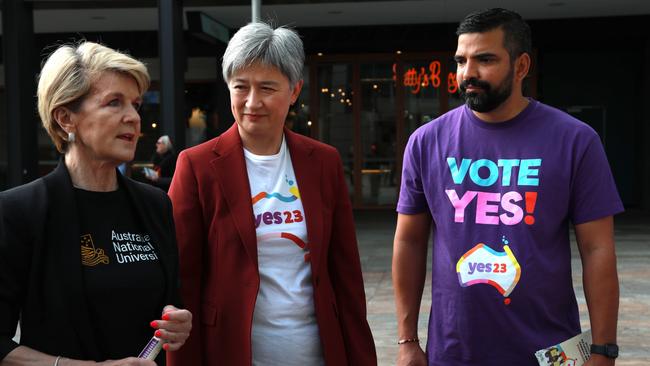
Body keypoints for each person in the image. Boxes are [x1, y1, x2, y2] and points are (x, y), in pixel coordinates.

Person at [393, 8, 622, 366]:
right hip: (455, 351)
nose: (468, 73)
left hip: (549, 353)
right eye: (461, 60)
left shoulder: (575, 141)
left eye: (485, 59)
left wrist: (604, 349)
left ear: (521, 66)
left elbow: (597, 250)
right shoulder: (427, 142)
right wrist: (407, 340)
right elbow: (409, 240)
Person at [167, 22, 376, 366]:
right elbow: (183, 281)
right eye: (241, 87)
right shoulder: (197, 166)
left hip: (317, 352)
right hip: (231, 352)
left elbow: (346, 275)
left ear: (294, 91)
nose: (252, 102)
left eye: (267, 87)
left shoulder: (323, 162)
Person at [0, 41, 192, 366]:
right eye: (114, 103)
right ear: (65, 118)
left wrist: (176, 322)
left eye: (136, 104)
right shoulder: (19, 211)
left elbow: (170, 304)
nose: (133, 117)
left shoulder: (155, 204)